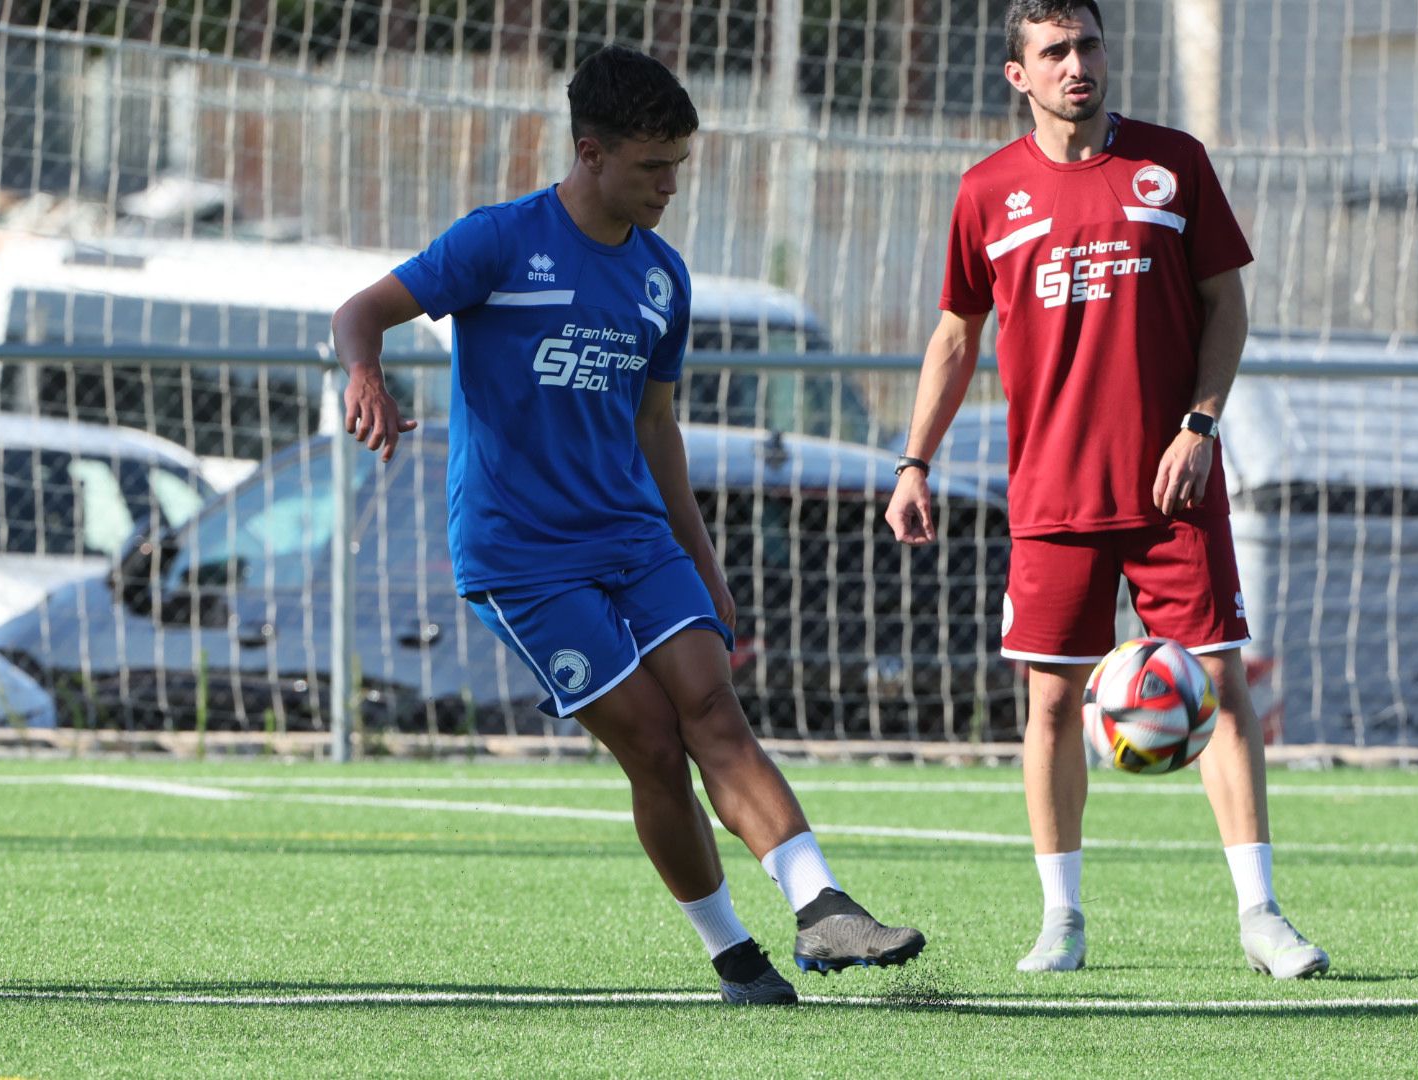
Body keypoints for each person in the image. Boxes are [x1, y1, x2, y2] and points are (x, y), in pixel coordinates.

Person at [333, 44, 924, 1005]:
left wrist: (703, 558)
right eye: (654, 167)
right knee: (652, 741)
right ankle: (734, 953)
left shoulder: (662, 279)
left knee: (713, 707)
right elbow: (362, 311)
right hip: (522, 558)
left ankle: (825, 907)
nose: (669, 187)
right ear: (591, 151)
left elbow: (657, 427)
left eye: (679, 166)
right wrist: (366, 370)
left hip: (635, 535)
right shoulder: (498, 241)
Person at [884, 0, 1328, 980]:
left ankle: (1260, 914)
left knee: (1219, 687)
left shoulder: (1174, 164)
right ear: (1018, 74)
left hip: (1173, 485)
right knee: (1049, 704)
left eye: (1087, 44)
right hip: (1053, 499)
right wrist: (914, 460)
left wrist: (1199, 426)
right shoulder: (987, 192)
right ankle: (1063, 921)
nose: (1077, 64)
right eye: (1054, 51)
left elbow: (1227, 306)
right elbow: (956, 334)